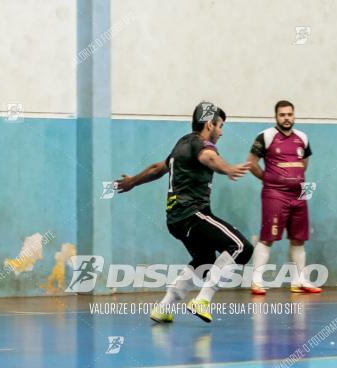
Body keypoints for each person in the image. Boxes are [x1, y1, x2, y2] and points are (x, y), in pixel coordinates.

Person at [115, 102, 253, 324]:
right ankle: (203, 300)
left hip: (176, 221)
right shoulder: (201, 145)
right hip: (193, 214)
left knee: (204, 259)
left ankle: (163, 307)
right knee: (242, 247)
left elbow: (156, 169)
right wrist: (227, 168)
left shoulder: (181, 145)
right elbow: (208, 157)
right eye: (220, 126)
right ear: (209, 124)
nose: (221, 132)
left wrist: (132, 182)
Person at [247, 100, 322, 295]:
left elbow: (303, 164)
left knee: (299, 239)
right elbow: (252, 163)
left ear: (294, 115)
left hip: (299, 194)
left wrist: (293, 179)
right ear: (276, 117)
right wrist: (269, 178)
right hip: (274, 195)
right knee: (267, 238)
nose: (286, 118)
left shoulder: (303, 138)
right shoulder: (265, 136)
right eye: (282, 115)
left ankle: (299, 281)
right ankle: (256, 281)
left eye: (289, 114)